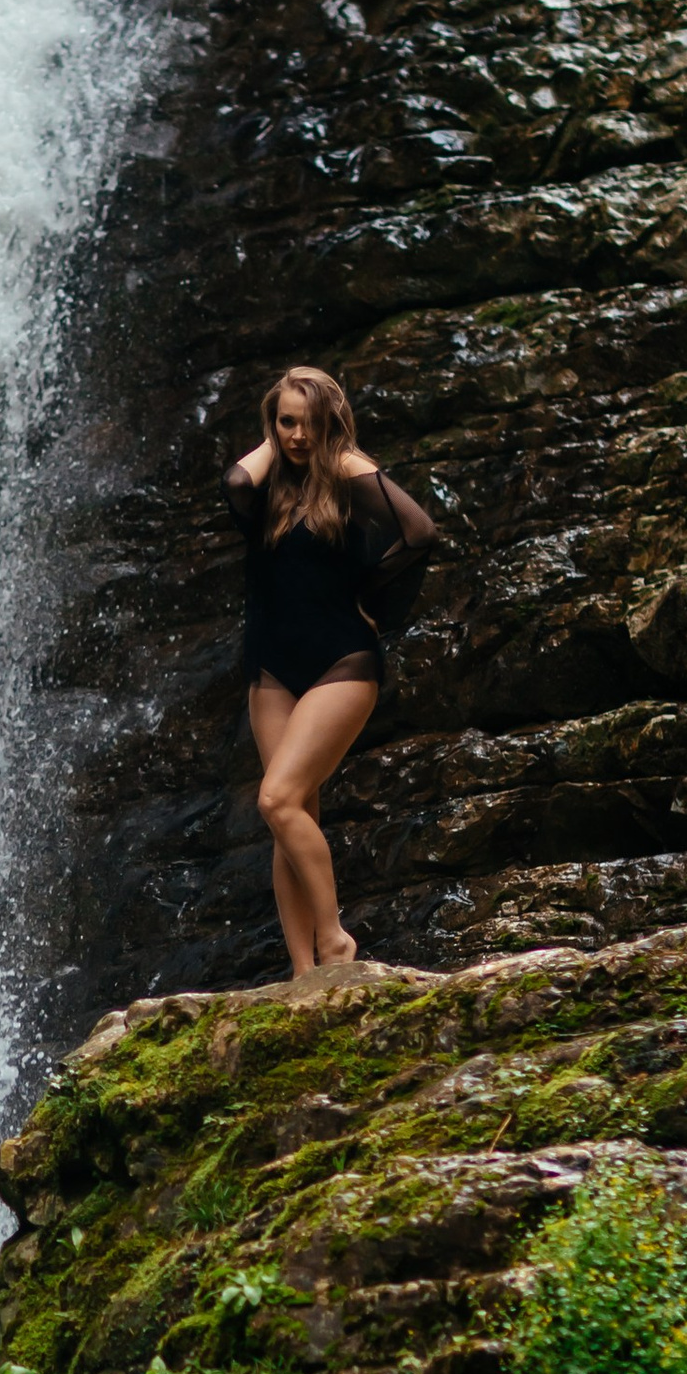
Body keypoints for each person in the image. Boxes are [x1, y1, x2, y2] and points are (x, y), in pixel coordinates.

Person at [224, 365, 440, 976]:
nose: (297, 436)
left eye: (308, 424)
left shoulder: (346, 482)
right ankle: (304, 973)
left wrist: (367, 595)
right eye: (287, 422)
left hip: (341, 662)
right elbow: (235, 482)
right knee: (291, 817)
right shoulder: (263, 491)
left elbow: (419, 531)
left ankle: (334, 939)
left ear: (330, 425)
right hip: (271, 668)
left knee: (277, 798)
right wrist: (277, 428)